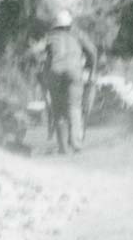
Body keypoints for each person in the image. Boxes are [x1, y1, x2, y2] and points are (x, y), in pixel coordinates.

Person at [41, 9, 97, 154]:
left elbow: (46, 58)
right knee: (74, 107)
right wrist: (92, 70)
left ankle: (63, 147)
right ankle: (76, 142)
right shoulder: (78, 34)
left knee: (58, 109)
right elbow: (92, 52)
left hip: (55, 72)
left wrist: (45, 79)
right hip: (74, 72)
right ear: (69, 24)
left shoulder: (51, 36)